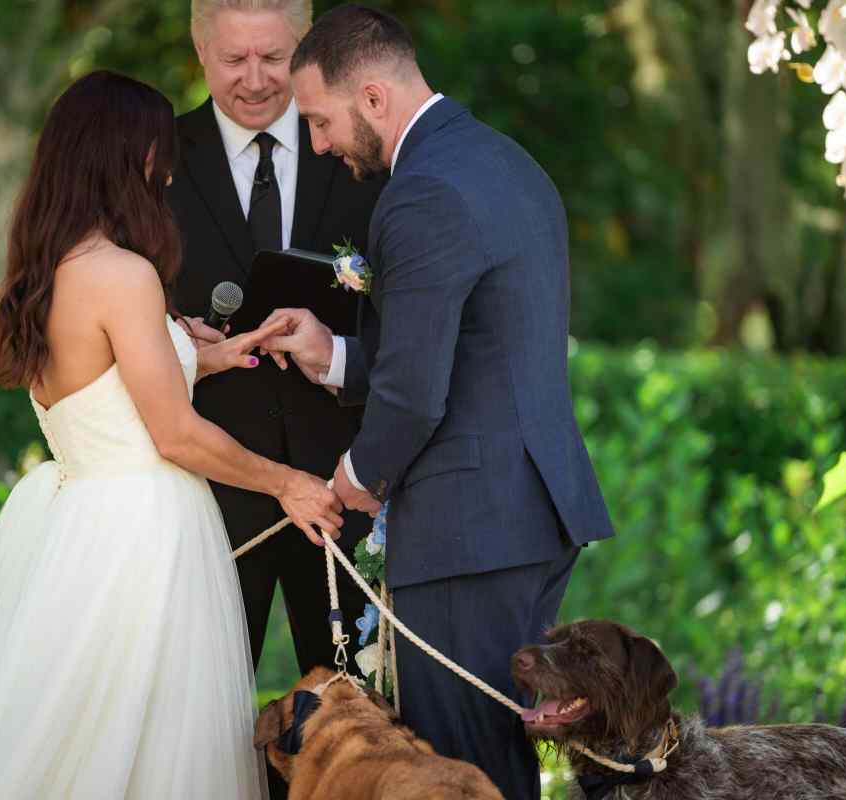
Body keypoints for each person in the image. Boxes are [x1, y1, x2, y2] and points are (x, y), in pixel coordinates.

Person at [0, 70, 341, 799]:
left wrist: (214, 351)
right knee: (147, 740)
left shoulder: (48, 268)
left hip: (81, 523)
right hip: (143, 534)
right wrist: (289, 484)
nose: (166, 173)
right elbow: (176, 436)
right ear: (127, 158)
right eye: (158, 155)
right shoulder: (124, 275)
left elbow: (109, 392)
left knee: (69, 727)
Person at [260, 6, 616, 798]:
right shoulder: (506, 161)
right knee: (488, 759)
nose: (318, 144)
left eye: (320, 120)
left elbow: (417, 397)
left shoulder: (420, 193)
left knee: (463, 771)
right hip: (524, 509)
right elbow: (469, 352)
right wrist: (334, 355)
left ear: (374, 98)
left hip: (468, 526)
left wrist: (355, 477)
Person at [167, 0, 382, 698]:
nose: (256, 79)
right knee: (201, 708)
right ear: (201, 52)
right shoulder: (156, 157)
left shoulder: (361, 151)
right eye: (235, 59)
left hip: (345, 482)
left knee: (360, 708)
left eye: (275, 58)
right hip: (212, 489)